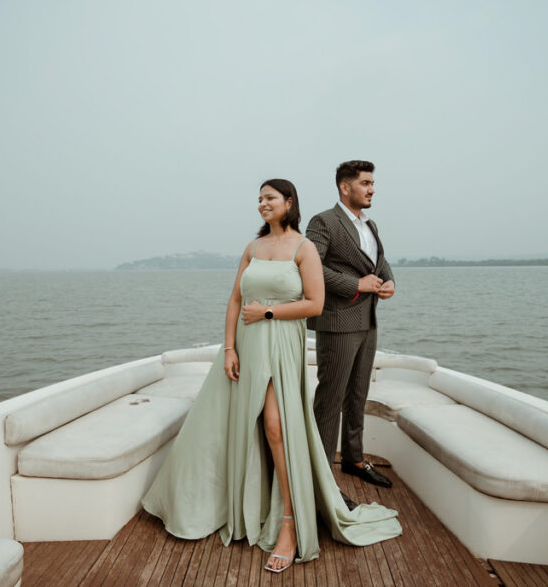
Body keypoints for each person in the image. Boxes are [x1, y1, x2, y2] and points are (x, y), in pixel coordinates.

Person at [142, 179, 401, 573]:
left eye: (270, 198)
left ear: (289, 203)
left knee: (276, 426)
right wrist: (228, 348)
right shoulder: (253, 247)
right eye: (259, 198)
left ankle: (290, 523)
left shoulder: (304, 247)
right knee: (229, 426)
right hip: (245, 345)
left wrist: (267, 313)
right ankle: (239, 506)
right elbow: (234, 301)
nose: (262, 204)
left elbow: (314, 304)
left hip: (280, 342)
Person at [306, 160, 396, 497]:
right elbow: (309, 266)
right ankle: (321, 475)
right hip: (338, 323)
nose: (372, 189)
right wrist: (356, 284)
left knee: (358, 395)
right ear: (346, 187)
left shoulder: (370, 225)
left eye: (373, 183)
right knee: (330, 400)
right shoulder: (324, 222)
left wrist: (389, 284)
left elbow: (380, 263)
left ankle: (355, 459)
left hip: (368, 322)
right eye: (366, 183)